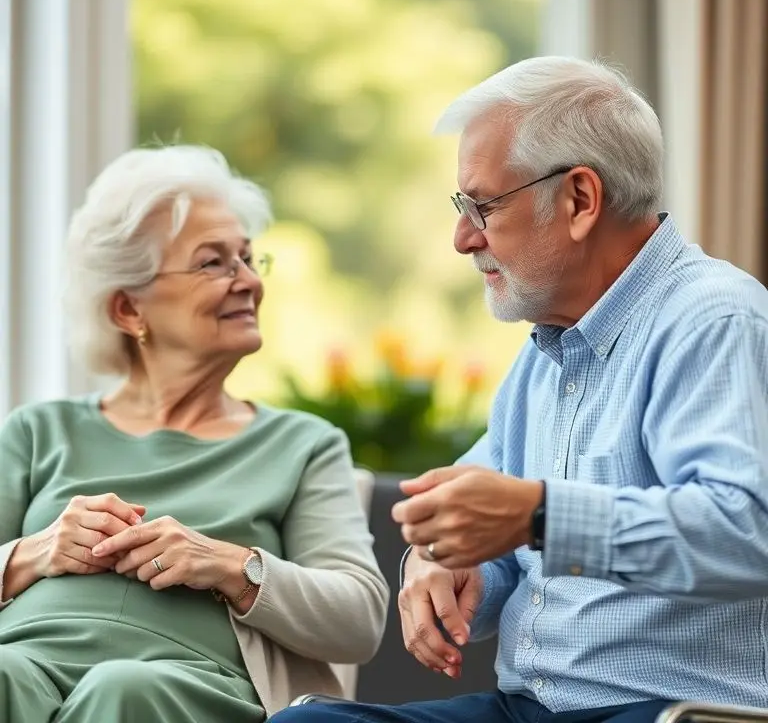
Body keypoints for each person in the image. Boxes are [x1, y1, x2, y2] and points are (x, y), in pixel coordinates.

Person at [271, 56, 768, 723]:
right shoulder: (545, 351)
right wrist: (450, 562)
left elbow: (748, 530)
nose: (461, 238)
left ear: (579, 200)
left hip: (664, 710)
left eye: (482, 205)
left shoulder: (715, 321)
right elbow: (491, 525)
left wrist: (540, 516)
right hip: (526, 708)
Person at [0, 145, 389, 722]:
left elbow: (358, 618)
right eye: (214, 263)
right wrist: (33, 553)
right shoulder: (38, 430)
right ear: (129, 310)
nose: (248, 281)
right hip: (22, 660)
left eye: (248, 259)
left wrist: (228, 564)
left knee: (122, 688)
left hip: (186, 686)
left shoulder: (302, 444)